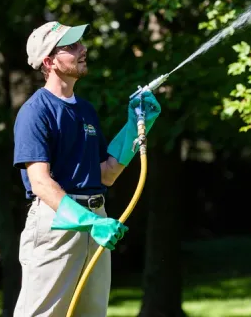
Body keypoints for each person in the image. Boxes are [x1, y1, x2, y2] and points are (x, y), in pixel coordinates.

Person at [12, 21, 161, 317]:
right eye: (71, 46)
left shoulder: (85, 110)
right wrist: (88, 222)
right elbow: (40, 182)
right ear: (49, 61)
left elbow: (105, 174)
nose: (84, 49)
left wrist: (135, 128)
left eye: (80, 43)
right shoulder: (35, 111)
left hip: (96, 218)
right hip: (57, 223)